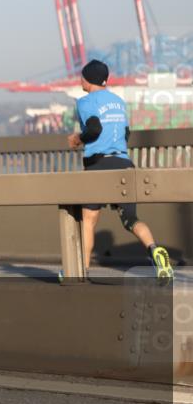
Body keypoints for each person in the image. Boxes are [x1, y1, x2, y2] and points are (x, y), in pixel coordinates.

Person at [67, 59, 173, 282]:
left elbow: (94, 128)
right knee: (130, 219)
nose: (80, 80)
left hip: (98, 165)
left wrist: (78, 138)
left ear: (88, 79)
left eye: (82, 76)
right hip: (124, 163)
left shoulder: (85, 101)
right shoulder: (118, 101)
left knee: (89, 219)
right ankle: (155, 251)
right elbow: (126, 133)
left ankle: (82, 272)